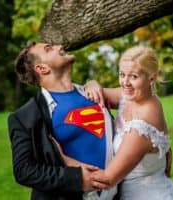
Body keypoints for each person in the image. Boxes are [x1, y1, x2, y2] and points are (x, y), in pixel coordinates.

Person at [7, 42, 117, 200]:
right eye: (48, 48)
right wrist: (77, 179)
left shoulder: (94, 93)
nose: (59, 46)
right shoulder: (25, 117)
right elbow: (24, 170)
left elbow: (140, 98)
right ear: (42, 68)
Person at [84, 46, 173, 199]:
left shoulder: (143, 122)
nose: (125, 82)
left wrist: (64, 162)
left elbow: (107, 179)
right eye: (122, 74)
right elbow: (97, 92)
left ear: (151, 78)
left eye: (133, 77)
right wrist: (92, 83)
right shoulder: (132, 96)